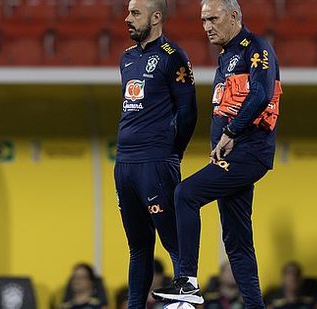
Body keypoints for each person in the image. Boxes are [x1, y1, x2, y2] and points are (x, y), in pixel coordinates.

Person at [153, 0, 282, 308]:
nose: (206, 26)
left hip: (249, 153)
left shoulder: (257, 48)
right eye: (202, 20)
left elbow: (261, 95)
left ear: (234, 16)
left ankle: (187, 283)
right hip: (233, 155)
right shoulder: (226, 57)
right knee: (236, 243)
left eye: (212, 18)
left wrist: (230, 133)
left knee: (186, 194)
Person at [114, 0, 198, 307]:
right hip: (124, 163)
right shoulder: (126, 59)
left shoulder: (173, 57)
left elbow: (188, 111)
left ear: (157, 17)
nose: (127, 18)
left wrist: (174, 152)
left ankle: (183, 302)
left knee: (173, 241)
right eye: (128, 12)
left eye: (135, 13)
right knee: (138, 246)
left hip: (156, 162)